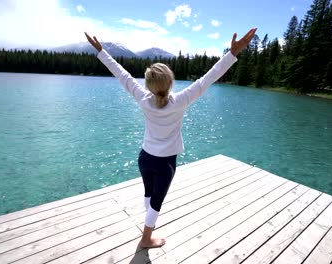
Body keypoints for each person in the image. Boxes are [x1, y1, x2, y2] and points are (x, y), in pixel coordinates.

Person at [84, 28, 257, 248]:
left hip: (145, 158)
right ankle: (146, 238)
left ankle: (147, 224)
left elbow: (122, 74)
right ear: (170, 82)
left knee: (148, 194)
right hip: (165, 163)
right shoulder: (181, 100)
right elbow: (208, 78)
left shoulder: (142, 98)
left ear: (148, 84)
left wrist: (101, 51)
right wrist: (232, 54)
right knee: (156, 202)